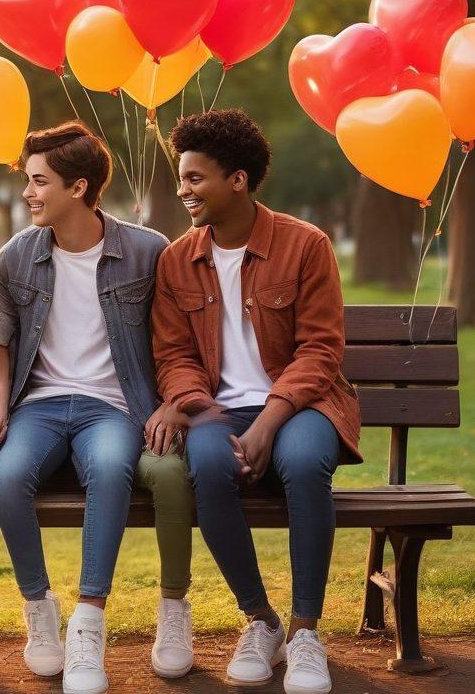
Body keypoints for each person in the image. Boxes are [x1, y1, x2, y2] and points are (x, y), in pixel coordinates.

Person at [0, 120, 168, 694]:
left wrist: (172, 402)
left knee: (110, 470)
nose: (29, 193)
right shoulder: (17, 256)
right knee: (9, 475)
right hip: (38, 403)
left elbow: (173, 336)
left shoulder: (146, 252)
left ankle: (88, 622)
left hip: (112, 407)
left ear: (78, 188)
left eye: (39, 182)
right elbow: (1, 335)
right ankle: (40, 610)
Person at [149, 108, 362, 694]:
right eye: (181, 176)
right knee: (210, 465)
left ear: (237, 180)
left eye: (195, 178)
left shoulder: (304, 245)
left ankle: (305, 631)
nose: (183, 188)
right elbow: (173, 355)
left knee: (303, 462)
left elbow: (320, 351)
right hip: (220, 408)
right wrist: (194, 402)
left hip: (302, 403)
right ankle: (261, 621)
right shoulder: (176, 259)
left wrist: (270, 420)